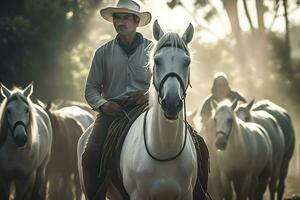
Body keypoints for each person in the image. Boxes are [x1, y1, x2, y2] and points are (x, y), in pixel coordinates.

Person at [82, 0, 152, 199]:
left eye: (126, 18)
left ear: (136, 22)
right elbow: (91, 89)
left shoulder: (153, 50)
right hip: (112, 113)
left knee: (193, 141)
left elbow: (161, 84)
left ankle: (195, 189)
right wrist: (103, 105)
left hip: (146, 109)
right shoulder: (102, 53)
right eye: (117, 17)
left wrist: (147, 96)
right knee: (90, 156)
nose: (120, 22)